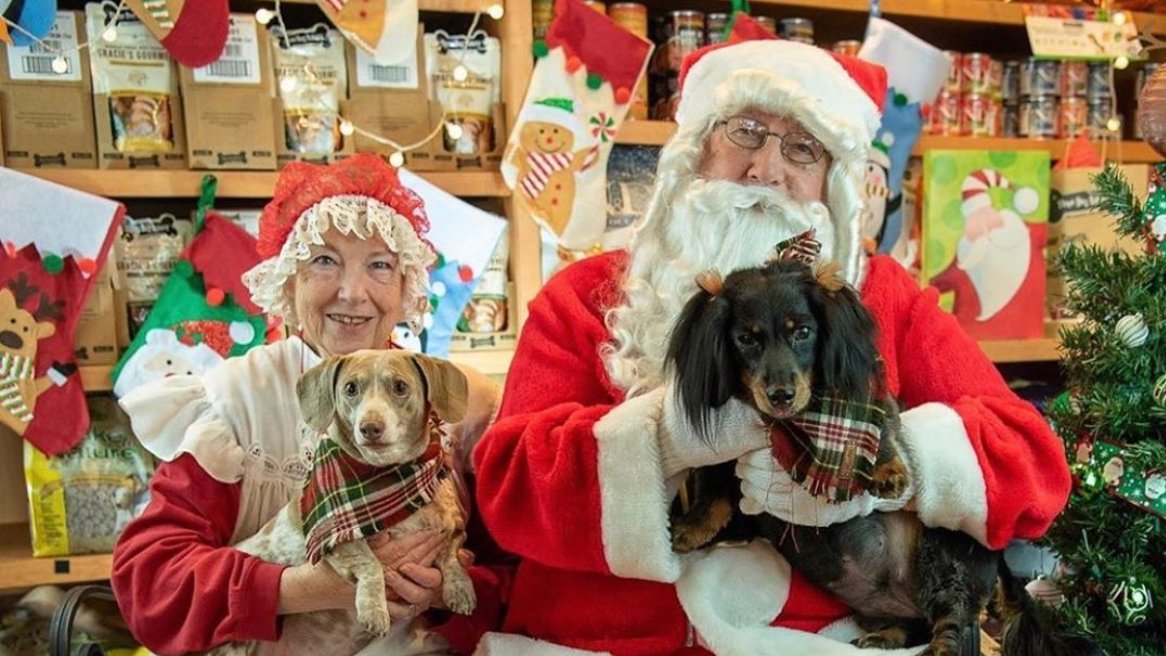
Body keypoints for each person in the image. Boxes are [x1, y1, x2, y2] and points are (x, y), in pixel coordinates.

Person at [471, 39, 1072, 655]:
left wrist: (884, 468)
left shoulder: (881, 294)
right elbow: (507, 488)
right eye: (747, 131)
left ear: (830, 184)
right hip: (607, 641)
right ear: (695, 149)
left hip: (817, 641)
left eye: (802, 148)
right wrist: (667, 439)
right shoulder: (586, 296)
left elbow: (1031, 463)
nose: (766, 170)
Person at [111, 154, 508, 655]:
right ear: (288, 280)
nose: (352, 292)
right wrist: (307, 588)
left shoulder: (459, 404)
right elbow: (150, 584)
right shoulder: (238, 400)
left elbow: (513, 576)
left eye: (380, 265)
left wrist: (444, 592)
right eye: (324, 261)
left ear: (407, 285)